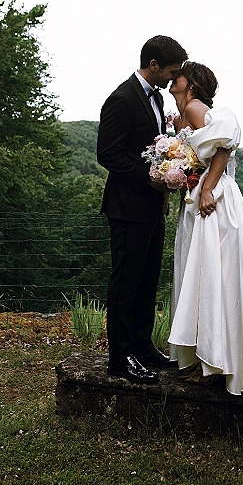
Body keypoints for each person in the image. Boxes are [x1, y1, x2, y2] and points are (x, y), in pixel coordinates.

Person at [167, 62, 243, 399]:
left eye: (177, 76)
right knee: (202, 275)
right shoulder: (178, 117)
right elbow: (191, 155)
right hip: (195, 200)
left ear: (190, 84)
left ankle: (212, 363)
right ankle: (205, 359)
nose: (171, 80)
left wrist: (206, 187)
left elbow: (224, 144)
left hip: (213, 201)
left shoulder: (195, 107)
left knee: (212, 276)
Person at [97, 35, 188, 383]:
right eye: (171, 71)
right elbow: (108, 154)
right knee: (126, 283)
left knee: (147, 280)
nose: (173, 77)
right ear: (154, 66)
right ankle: (120, 359)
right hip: (127, 207)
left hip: (152, 207)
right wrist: (149, 179)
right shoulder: (121, 99)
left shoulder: (156, 97)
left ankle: (142, 346)